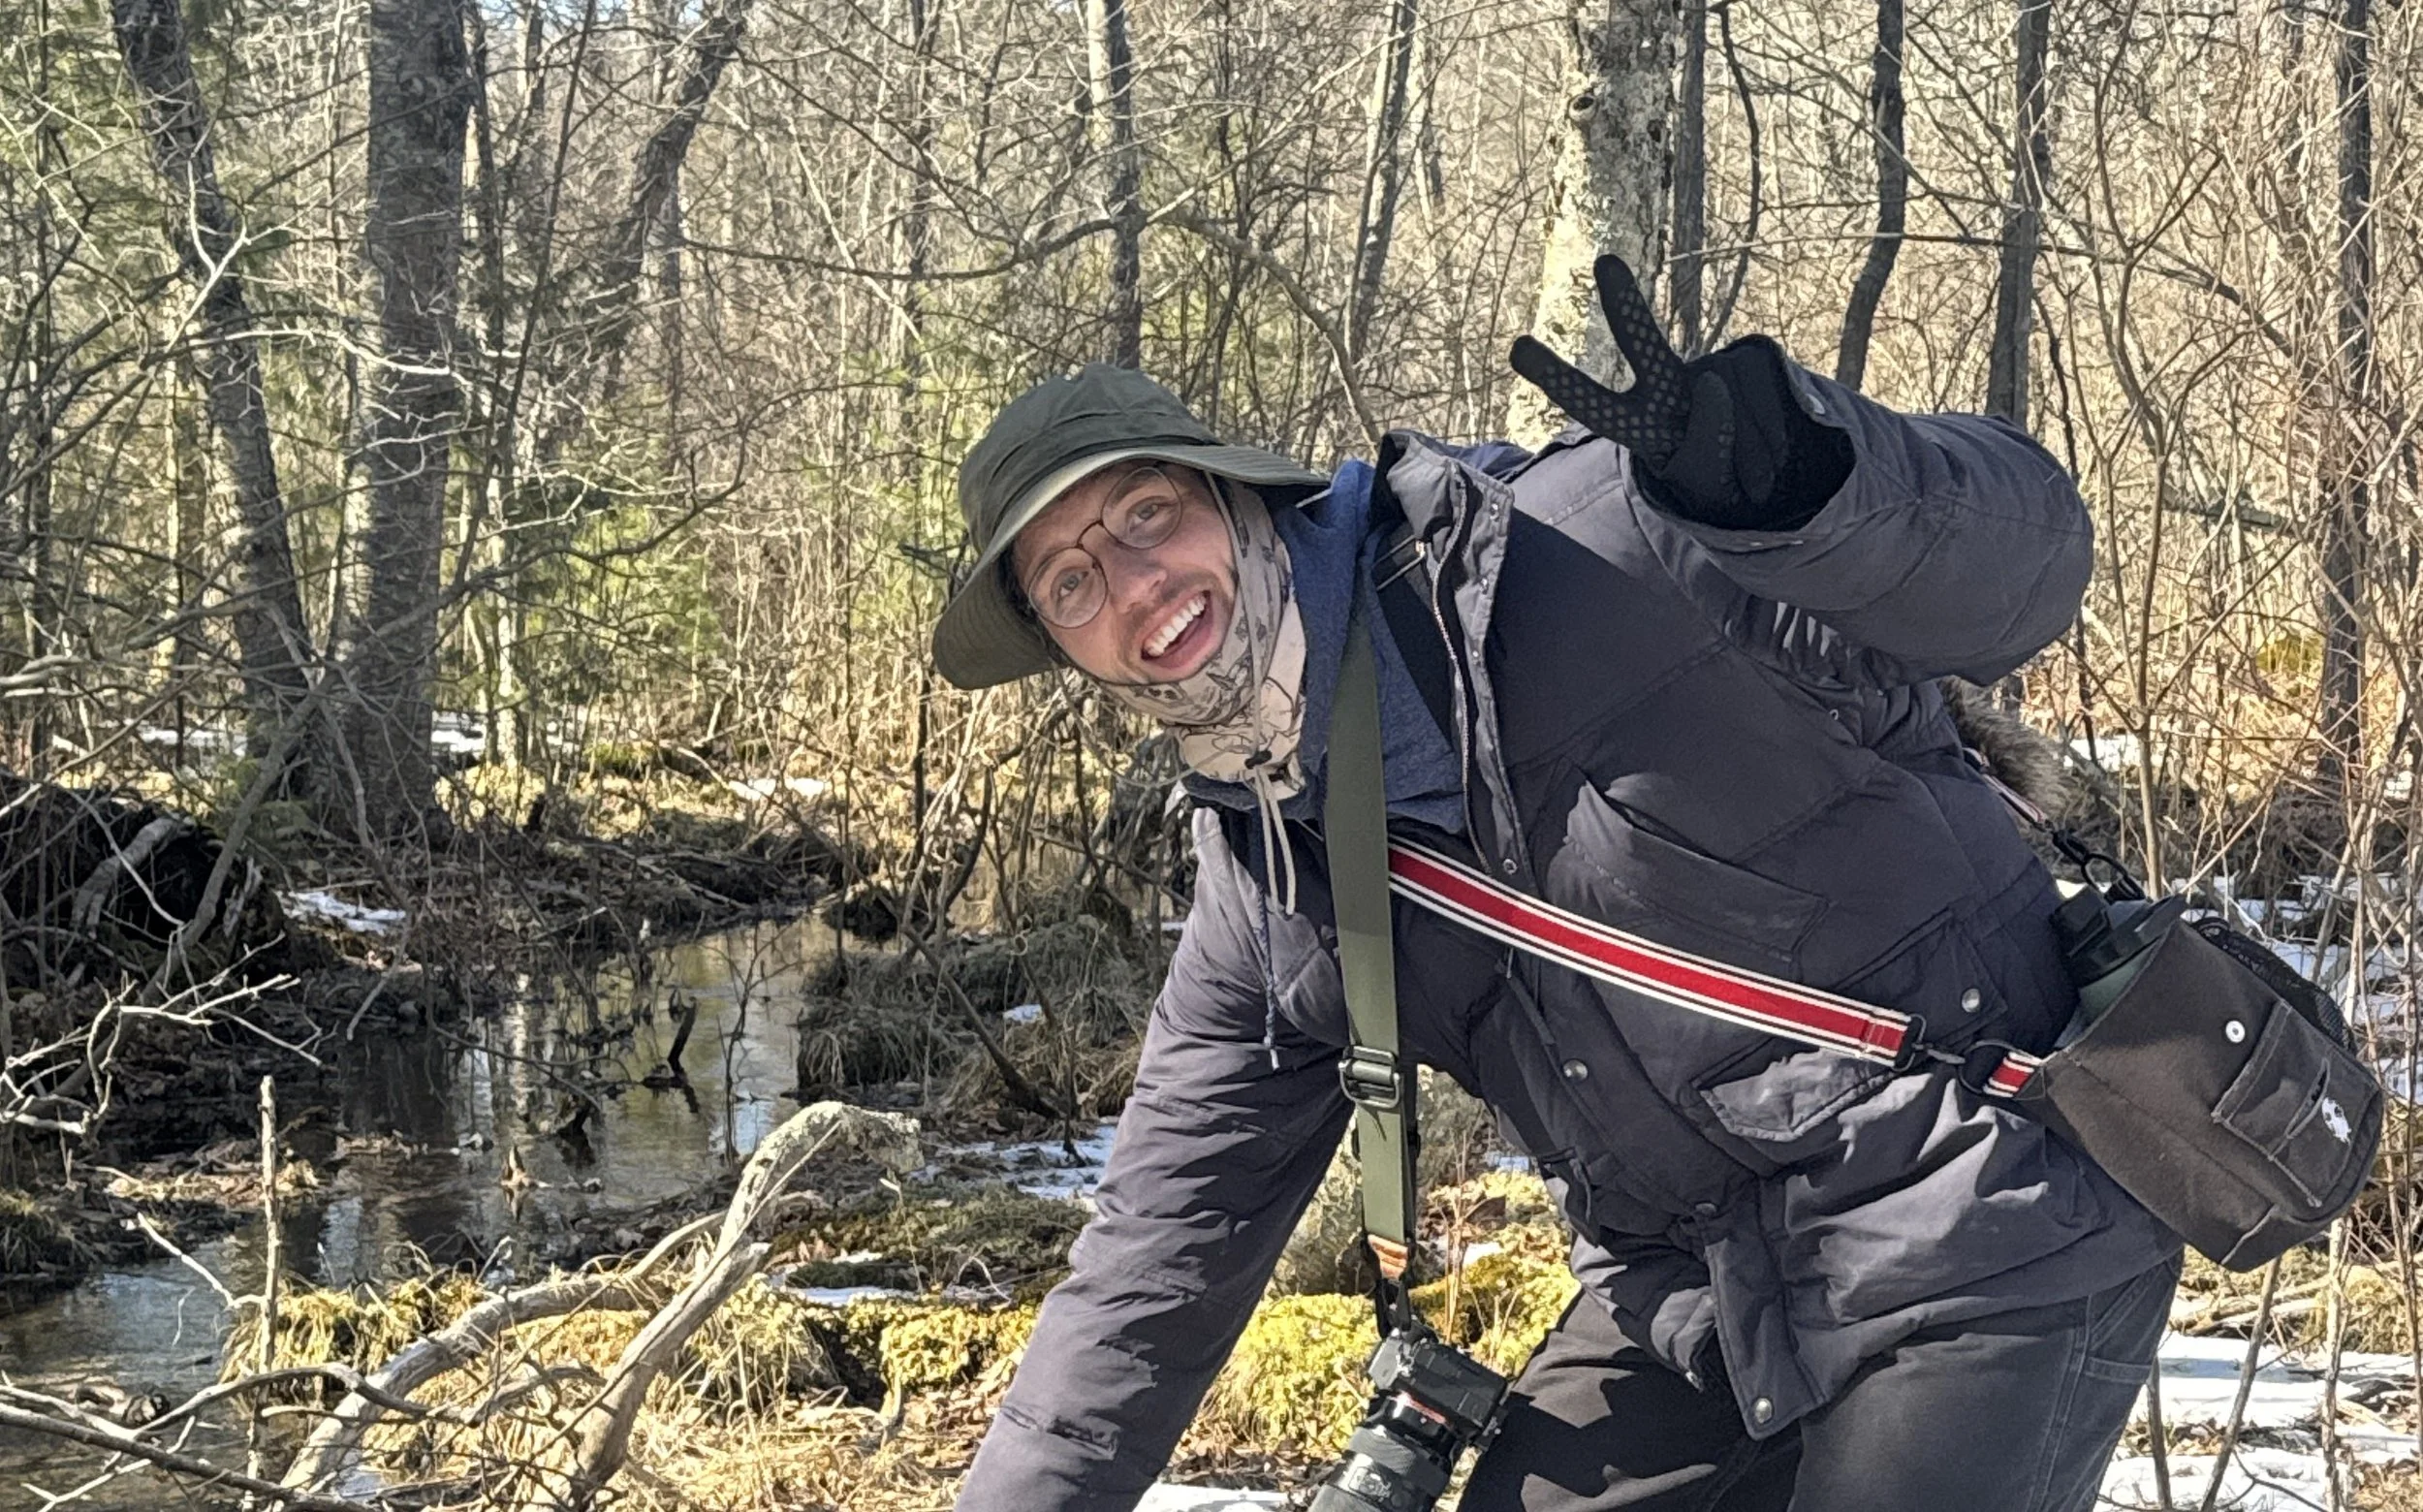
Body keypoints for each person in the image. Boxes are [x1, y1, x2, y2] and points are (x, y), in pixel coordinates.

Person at [928, 258, 2182, 1512]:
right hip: (1691, 1296)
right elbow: (1155, 1261)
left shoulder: (1603, 540)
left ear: (1241, 497)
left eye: (1148, 515)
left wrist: (1811, 482)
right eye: (1072, 583)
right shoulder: (1268, 887)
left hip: (1986, 1194)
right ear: (1062, 649)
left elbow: (2033, 563)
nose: (1137, 586)